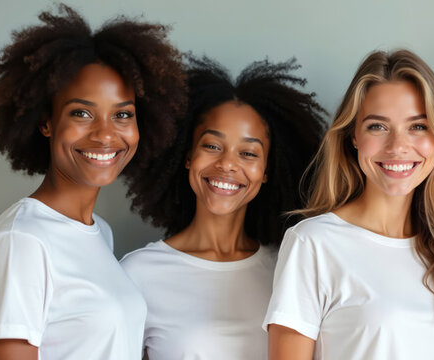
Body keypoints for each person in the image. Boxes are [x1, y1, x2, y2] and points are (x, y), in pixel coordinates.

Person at [0, 4, 185, 359]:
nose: (105, 134)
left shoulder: (98, 231)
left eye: (122, 114)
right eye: (81, 113)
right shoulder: (21, 241)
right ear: (46, 122)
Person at [263, 49, 434, 359]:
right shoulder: (313, 243)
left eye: (418, 126)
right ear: (353, 136)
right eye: (378, 126)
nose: (398, 147)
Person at [119, 55, 325, 359]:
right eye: (212, 146)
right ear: (187, 155)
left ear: (267, 171)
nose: (227, 164)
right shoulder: (138, 273)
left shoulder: (289, 270)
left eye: (249, 153)